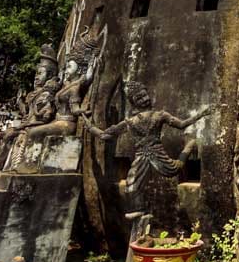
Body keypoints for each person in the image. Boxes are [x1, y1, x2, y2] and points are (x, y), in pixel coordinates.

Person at [78, 80, 209, 218]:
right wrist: (89, 126)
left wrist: (201, 114)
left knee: (174, 169)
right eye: (139, 98)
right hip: (141, 155)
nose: (144, 99)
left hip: (156, 151)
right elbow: (104, 135)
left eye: (144, 95)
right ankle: (139, 209)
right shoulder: (130, 122)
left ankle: (189, 146)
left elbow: (182, 124)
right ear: (134, 102)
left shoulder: (160, 115)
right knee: (131, 186)